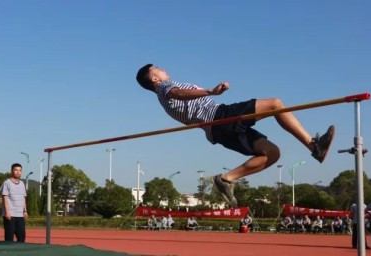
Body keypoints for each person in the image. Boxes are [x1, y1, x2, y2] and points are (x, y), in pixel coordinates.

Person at [136, 64, 335, 208]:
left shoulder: (163, 97)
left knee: (272, 153)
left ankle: (226, 178)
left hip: (217, 131)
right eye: (159, 69)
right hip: (219, 118)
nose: (164, 69)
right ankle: (314, 146)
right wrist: (210, 91)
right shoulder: (164, 88)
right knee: (276, 104)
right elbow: (178, 93)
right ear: (155, 79)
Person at [0, 163, 28, 242]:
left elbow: (23, 198)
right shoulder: (7, 183)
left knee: (21, 236)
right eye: (16, 170)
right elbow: (5, 197)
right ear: (12, 171)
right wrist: (7, 212)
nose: (18, 172)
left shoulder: (22, 184)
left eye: (20, 170)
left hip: (20, 214)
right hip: (10, 214)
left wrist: (25, 210)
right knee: (9, 237)